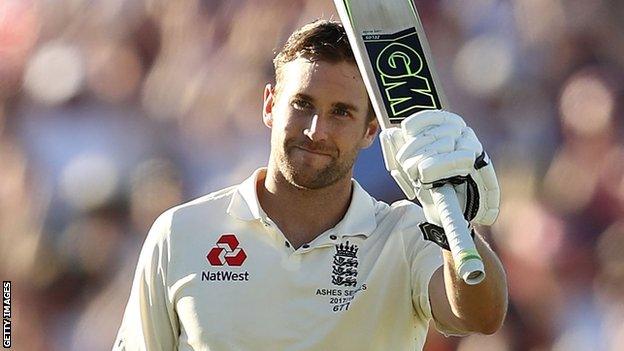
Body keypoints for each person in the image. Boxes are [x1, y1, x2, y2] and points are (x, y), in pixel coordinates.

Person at [113, 20, 507, 351]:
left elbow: (480, 316)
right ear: (270, 104)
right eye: (302, 104)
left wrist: (456, 223)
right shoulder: (180, 232)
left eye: (341, 113)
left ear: (370, 130)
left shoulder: (406, 234)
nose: (317, 131)